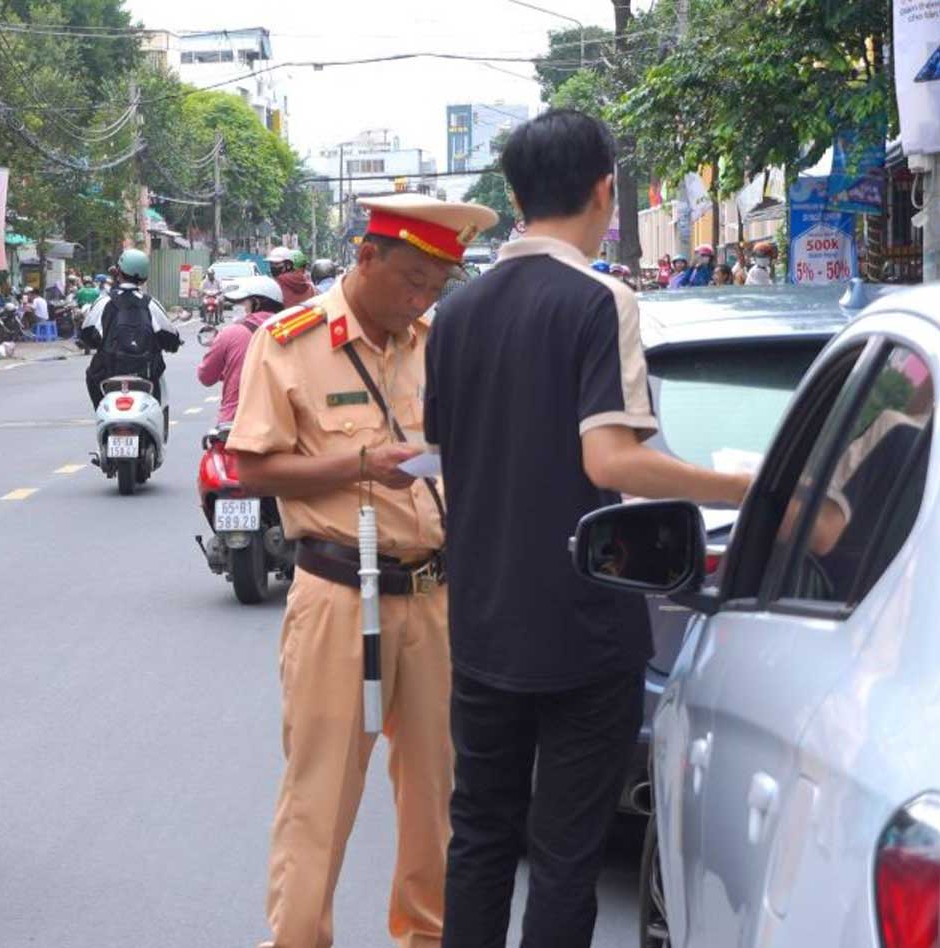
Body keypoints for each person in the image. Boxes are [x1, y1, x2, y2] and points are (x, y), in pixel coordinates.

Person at [424, 109, 750, 948]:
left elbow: (450, 453)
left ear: (514, 195)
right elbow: (611, 462)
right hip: (581, 626)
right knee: (564, 852)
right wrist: (742, 483)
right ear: (606, 188)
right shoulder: (600, 299)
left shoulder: (455, 316)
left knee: (481, 838)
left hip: (482, 623)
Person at [230, 192, 497, 948]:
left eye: (435, 287)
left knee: (436, 798)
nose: (420, 299)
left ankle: (427, 937)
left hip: (435, 591)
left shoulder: (436, 342)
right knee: (319, 795)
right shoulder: (290, 341)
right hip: (339, 595)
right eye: (411, 280)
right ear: (366, 256)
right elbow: (250, 468)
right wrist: (360, 465)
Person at [80, 248, 182, 411]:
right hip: (145, 374)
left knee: (91, 375)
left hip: (108, 373)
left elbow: (86, 334)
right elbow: (170, 338)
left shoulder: (104, 301)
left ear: (118, 272)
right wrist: (173, 344)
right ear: (144, 278)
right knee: (159, 390)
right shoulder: (151, 304)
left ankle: (101, 412)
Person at [196, 275, 283, 424]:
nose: (240, 307)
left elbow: (206, 376)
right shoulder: (292, 331)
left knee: (214, 446)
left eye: (243, 302)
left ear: (255, 303)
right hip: (281, 421)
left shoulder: (230, 333)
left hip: (236, 420)